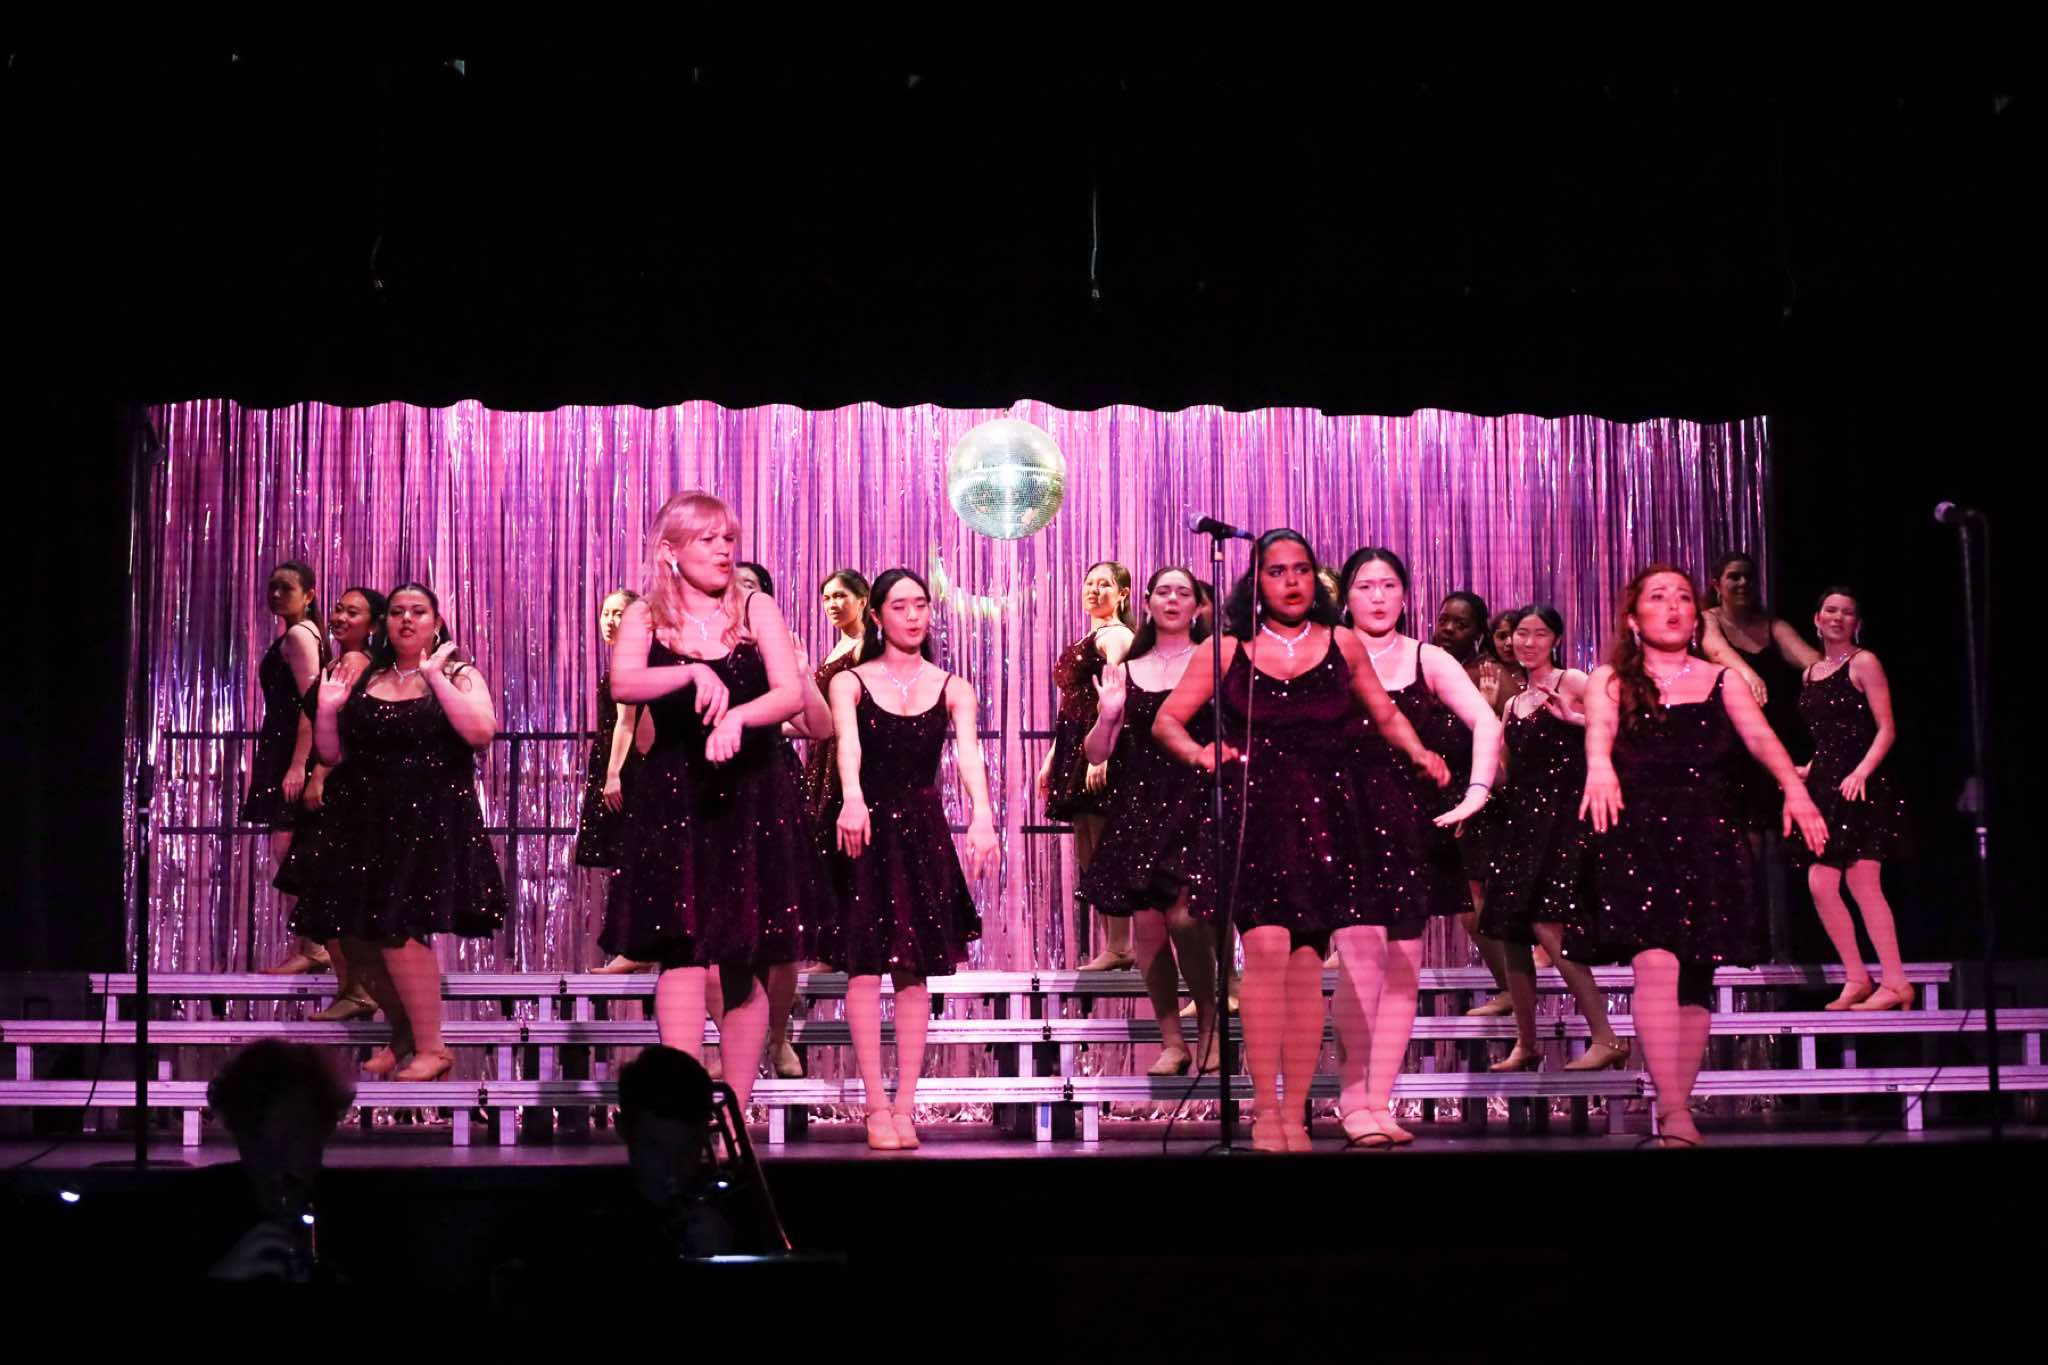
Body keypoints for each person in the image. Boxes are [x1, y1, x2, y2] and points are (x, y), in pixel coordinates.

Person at [1154, 530, 1448, 1152]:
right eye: (1277, 571)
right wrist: (1201, 754)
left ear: (1316, 579)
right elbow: (1167, 721)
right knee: (1265, 951)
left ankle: (1295, 1112)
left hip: (1326, 819)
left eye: (1302, 570)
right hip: (1256, 817)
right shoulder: (1227, 649)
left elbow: (1385, 712)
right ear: (1256, 582)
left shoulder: (1342, 643)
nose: (1291, 581)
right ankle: (1263, 1109)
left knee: (1308, 964)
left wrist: (1420, 752)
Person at [1578, 565, 1828, 1147]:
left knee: (1695, 979)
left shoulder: (1722, 679)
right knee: (1655, 966)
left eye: (1683, 598)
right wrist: (1599, 767)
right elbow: (1598, 736)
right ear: (1633, 618)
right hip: (1638, 839)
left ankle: (1675, 1105)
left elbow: (1763, 740)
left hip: (1709, 840)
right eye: (1658, 597)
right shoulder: (1610, 680)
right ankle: (1672, 1110)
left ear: (1696, 616)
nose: (1672, 607)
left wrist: (1794, 791)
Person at [600, 491, 819, 1115]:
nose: (724, 550)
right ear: (670, 551)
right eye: (708, 539)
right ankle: (682, 1110)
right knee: (681, 952)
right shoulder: (646, 615)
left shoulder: (756, 607)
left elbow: (789, 694)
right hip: (676, 795)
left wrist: (739, 717)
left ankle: (737, 1113)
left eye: (729, 539)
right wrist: (693, 672)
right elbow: (624, 682)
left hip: (750, 795)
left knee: (740, 955)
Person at [296, 581, 508, 1081]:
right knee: (356, 937)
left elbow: (481, 733)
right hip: (366, 822)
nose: (406, 620)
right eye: (396, 612)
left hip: (428, 823)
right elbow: (331, 753)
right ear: (384, 623)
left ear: (437, 622)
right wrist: (326, 709)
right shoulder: (369, 675)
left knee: (398, 930)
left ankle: (434, 1048)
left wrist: (434, 678)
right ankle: (403, 1033)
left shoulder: (457, 673)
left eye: (418, 612)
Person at [821, 568, 998, 1150]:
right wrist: (851, 798)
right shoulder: (849, 681)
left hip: (922, 831)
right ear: (876, 615)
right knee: (864, 967)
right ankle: (875, 1105)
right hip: (865, 826)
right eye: (900, 606)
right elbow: (847, 746)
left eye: (920, 604)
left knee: (914, 971)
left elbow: (968, 756)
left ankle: (905, 1106)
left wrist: (982, 815)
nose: (914, 615)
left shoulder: (953, 686)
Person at [1331, 550, 1494, 1144]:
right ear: (1345, 596)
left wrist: (1477, 791)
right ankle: (1352, 1100)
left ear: (1405, 594)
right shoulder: (1326, 655)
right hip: (1344, 825)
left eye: (1389, 585)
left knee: (1403, 967)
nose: (1378, 596)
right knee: (1362, 962)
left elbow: (1487, 722)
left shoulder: (1429, 658)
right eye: (1365, 586)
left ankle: (1380, 1101)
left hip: (1412, 828)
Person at [1077, 567, 1221, 1076]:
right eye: (1163, 591)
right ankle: (1172, 1042)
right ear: (1146, 602)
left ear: (1198, 606)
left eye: (1184, 592)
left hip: (1198, 803)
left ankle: (1211, 1025)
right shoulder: (1127, 667)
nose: (1173, 600)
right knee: (1149, 932)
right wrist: (1107, 714)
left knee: (1185, 918)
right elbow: (1097, 752)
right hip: (1140, 805)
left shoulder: (1212, 662)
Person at [1478, 606, 1628, 1072]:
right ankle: (1527, 1043)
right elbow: (1504, 775)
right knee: (1511, 934)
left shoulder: (1574, 682)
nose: (1527, 643)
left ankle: (1607, 1037)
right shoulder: (1512, 704)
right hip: (1522, 824)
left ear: (1556, 639)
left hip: (1565, 820)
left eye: (1539, 634)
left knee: (1548, 926)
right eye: (1520, 634)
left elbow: (1617, 730)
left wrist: (1573, 717)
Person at [1792, 588, 1914, 1010]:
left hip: (1862, 785)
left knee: (1863, 882)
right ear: (1817, 618)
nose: (1838, 617)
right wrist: (1807, 769)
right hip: (1827, 786)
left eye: (1847, 612)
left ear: (1856, 622)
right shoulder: (1810, 674)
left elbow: (1886, 729)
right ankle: (1857, 977)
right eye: (1831, 610)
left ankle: (1895, 981)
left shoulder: (1864, 662)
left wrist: (1861, 771)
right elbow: (1829, 740)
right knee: (1820, 883)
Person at [277, 585, 387, 1022]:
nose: (340, 617)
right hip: (333, 786)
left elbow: (347, 729)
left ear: (373, 625)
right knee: (326, 891)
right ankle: (352, 988)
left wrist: (319, 774)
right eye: (339, 609)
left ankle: (359, 990)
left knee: (334, 890)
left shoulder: (359, 666)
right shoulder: (337, 663)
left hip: (342, 789)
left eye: (353, 613)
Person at [1040, 561, 1138, 971]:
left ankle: (1121, 945)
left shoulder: (1116, 636)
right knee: (1087, 844)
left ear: (1123, 594)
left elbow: (1119, 692)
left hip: (1100, 744)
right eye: (1089, 583)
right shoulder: (1090, 636)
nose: (1094, 590)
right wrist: (1052, 756)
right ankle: (1113, 944)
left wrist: (1106, 753)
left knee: (1104, 843)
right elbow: (1071, 706)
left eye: (1104, 584)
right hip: (1075, 744)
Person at [202, 1041, 356, 1283]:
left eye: (294, 1135)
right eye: (258, 1137)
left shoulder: (360, 1215)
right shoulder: (201, 1212)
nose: (277, 1158)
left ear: (324, 1129)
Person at [251, 560, 333, 975]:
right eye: (272, 587)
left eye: (286, 588)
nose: (276, 595)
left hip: (293, 750)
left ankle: (316, 944)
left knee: (290, 849)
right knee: (292, 848)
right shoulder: (301, 634)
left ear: (309, 595)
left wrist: (299, 764)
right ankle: (313, 943)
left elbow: (312, 703)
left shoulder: (301, 635)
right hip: (284, 747)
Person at [583, 589, 654, 974]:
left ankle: (637, 948)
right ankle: (636, 947)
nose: (610, 621)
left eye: (619, 613)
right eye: (606, 613)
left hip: (629, 770)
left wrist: (613, 775)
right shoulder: (628, 659)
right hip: (622, 763)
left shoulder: (633, 660)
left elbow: (627, 724)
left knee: (633, 860)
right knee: (628, 861)